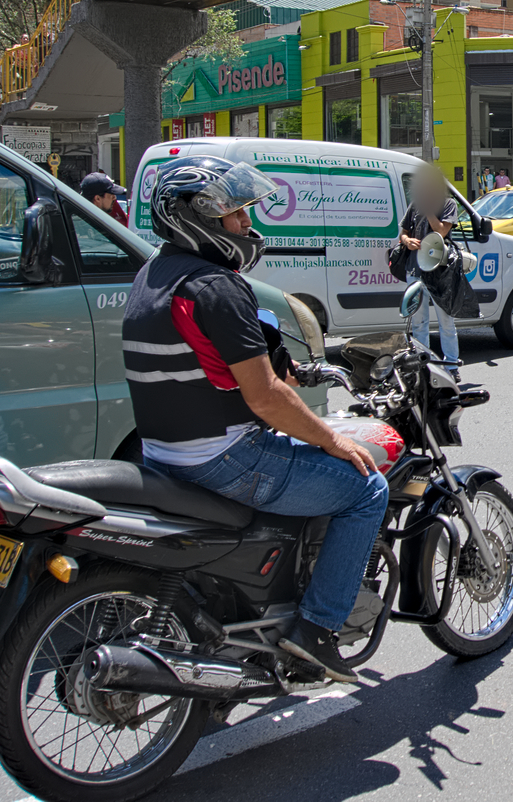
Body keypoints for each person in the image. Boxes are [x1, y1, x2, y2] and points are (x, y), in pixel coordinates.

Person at [126, 156, 388, 683]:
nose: (249, 225)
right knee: (366, 489)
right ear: (197, 217)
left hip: (160, 454)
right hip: (222, 457)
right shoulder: (216, 286)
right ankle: (316, 629)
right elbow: (267, 399)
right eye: (237, 215)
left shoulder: (153, 276)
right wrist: (333, 440)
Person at [397, 166, 461, 376]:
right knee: (419, 322)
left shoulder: (448, 204)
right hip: (415, 270)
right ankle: (422, 366)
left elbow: (441, 231)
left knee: (446, 321)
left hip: (440, 272)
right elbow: (403, 233)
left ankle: (451, 365)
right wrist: (407, 241)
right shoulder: (415, 205)